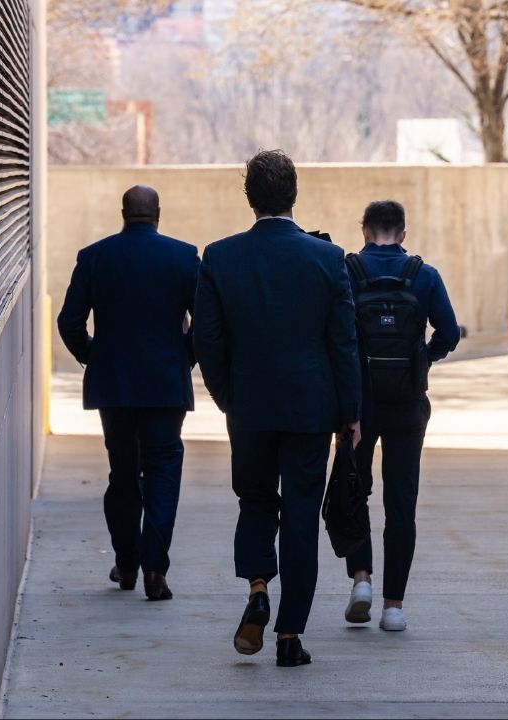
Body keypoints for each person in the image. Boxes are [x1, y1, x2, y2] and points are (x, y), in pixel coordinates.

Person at [193, 150, 362, 667]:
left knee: (256, 500)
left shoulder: (219, 257)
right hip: (311, 407)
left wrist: (228, 396)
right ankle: (290, 637)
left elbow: (207, 340)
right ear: (294, 195)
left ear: (250, 197)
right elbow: (344, 344)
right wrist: (350, 413)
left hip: (250, 406)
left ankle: (259, 586)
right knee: (303, 514)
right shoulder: (328, 259)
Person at [57, 185, 199, 601]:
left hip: (114, 386)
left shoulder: (94, 257)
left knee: (122, 474)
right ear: (158, 214)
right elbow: (207, 322)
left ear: (123, 213)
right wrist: (182, 359)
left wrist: (94, 357)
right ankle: (155, 568)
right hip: (164, 387)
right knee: (163, 471)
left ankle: (127, 563)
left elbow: (69, 322)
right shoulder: (183, 256)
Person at [340, 200, 459, 632]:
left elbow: (335, 337)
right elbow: (448, 332)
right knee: (401, 502)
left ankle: (361, 580)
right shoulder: (424, 276)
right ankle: (393, 607)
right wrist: (422, 362)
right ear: (403, 234)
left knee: (354, 491)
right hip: (408, 405)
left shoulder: (348, 272)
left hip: (358, 405)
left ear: (365, 230)